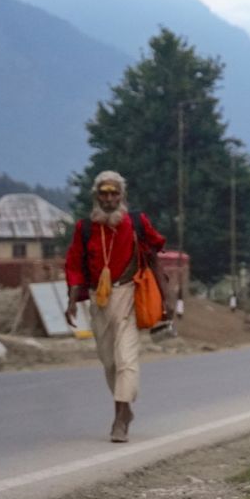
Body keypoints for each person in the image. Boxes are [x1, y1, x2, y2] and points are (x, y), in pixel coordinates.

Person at [63, 171, 167, 443]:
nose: (109, 199)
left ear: (122, 196)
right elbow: (74, 264)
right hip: (99, 300)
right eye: (104, 194)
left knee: (126, 358)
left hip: (129, 294)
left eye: (114, 194)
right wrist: (72, 300)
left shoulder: (136, 223)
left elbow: (155, 253)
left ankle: (120, 418)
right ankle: (125, 407)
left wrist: (165, 300)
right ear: (96, 197)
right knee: (108, 361)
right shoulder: (85, 228)